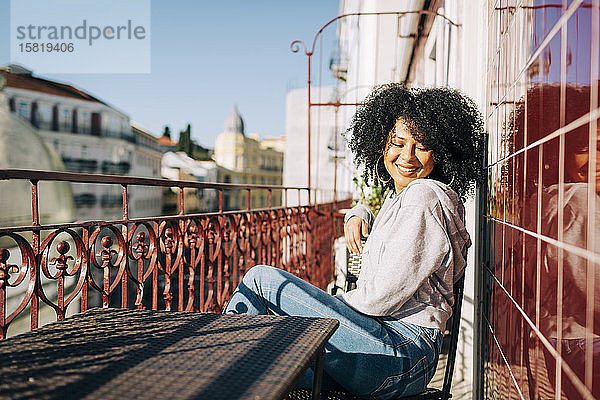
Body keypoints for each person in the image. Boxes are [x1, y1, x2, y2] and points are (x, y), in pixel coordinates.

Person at [224, 84, 485, 399]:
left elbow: (381, 297)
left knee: (261, 280)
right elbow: (398, 243)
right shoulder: (406, 197)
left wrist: (319, 309)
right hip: (395, 356)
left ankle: (205, 370)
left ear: (440, 152)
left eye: (421, 146)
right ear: (381, 143)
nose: (407, 156)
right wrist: (359, 212)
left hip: (398, 356)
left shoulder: (423, 197)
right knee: (262, 359)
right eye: (397, 143)